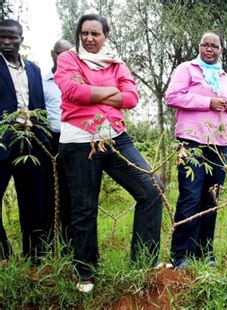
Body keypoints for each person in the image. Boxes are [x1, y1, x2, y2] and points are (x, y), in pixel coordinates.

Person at [54, 14, 163, 293]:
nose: (89, 38)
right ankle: (86, 273)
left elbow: (132, 98)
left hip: (116, 138)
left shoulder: (117, 62)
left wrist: (94, 92)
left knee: (152, 189)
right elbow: (71, 90)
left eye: (95, 34)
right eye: (84, 33)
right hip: (79, 141)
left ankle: (143, 262)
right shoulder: (68, 59)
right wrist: (111, 91)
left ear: (106, 36)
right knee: (84, 207)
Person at [165, 30, 227, 269]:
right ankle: (181, 254)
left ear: (221, 50)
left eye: (214, 46)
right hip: (192, 141)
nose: (209, 49)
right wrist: (207, 102)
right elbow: (172, 97)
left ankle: (205, 252)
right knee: (190, 195)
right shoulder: (186, 69)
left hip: (221, 144)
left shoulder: (225, 76)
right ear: (199, 47)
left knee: (212, 197)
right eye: (205, 45)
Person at [0, 19, 49, 264]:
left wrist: (43, 139)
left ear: (21, 38)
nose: (7, 42)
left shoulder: (34, 69)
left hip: (31, 143)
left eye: (12, 37)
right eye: (2, 37)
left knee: (33, 201)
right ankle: (3, 253)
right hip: (2, 143)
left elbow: (39, 105)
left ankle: (35, 256)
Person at [42, 39, 73, 244]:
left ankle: (69, 237)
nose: (65, 58)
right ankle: (50, 239)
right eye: (61, 54)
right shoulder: (41, 81)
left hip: (72, 139)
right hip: (49, 140)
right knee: (50, 189)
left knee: (70, 190)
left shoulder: (75, 81)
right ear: (53, 54)